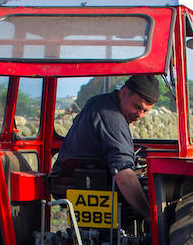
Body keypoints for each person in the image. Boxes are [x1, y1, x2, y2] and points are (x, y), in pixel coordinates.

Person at [54, 74, 160, 217]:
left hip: (72, 180)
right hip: (89, 185)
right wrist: (149, 215)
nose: (139, 115)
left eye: (145, 111)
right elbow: (124, 176)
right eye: (137, 107)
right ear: (123, 93)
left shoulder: (98, 102)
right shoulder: (112, 118)